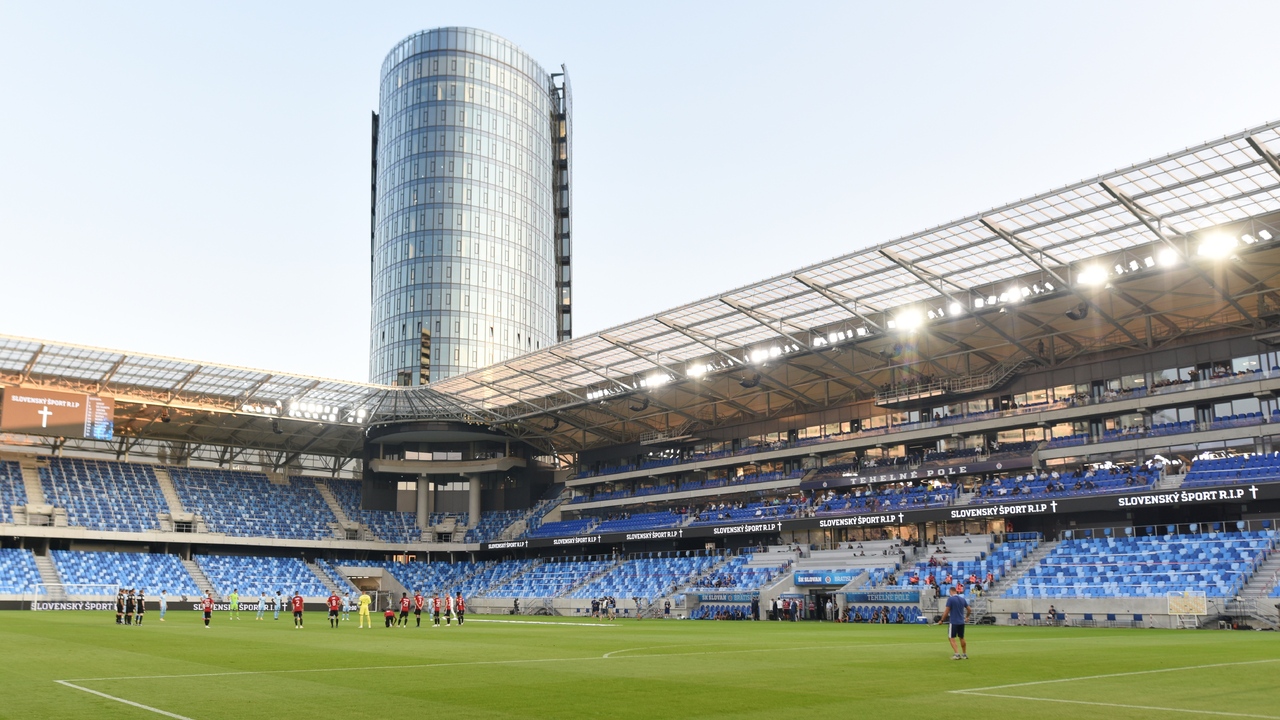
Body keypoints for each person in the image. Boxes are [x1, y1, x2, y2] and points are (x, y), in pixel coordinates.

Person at [938, 586, 971, 659]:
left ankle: (957, 654)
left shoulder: (951, 599)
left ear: (951, 592)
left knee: (951, 638)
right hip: (961, 622)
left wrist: (942, 620)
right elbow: (969, 609)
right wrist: (967, 617)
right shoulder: (962, 599)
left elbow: (947, 611)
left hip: (953, 622)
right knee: (961, 637)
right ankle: (964, 654)